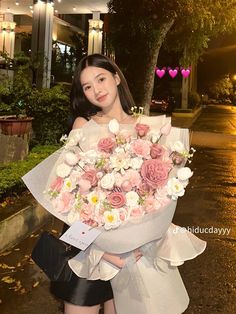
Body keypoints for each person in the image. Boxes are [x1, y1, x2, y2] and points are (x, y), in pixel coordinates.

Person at [51, 53, 143, 314]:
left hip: (129, 256)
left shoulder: (144, 129)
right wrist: (101, 251)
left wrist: (139, 245)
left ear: (116, 77)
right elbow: (64, 197)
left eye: (100, 79)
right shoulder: (83, 126)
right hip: (88, 252)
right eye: (87, 86)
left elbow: (150, 197)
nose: (96, 90)